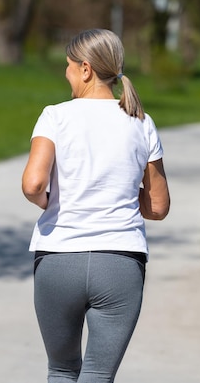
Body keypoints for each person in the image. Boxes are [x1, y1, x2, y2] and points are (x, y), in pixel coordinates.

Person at [22, 28, 170, 382]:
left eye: (69, 66)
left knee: (61, 371)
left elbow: (33, 183)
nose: (67, 73)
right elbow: (158, 206)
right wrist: (119, 193)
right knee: (98, 376)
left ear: (86, 69)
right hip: (120, 263)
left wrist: (49, 201)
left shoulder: (55, 116)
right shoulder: (141, 123)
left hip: (59, 259)